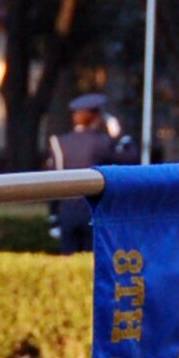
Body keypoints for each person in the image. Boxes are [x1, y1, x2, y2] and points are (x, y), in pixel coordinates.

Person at [46, 92, 122, 253]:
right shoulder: (104, 142)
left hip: (68, 213)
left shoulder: (60, 143)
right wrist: (118, 136)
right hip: (95, 213)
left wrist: (53, 215)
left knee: (68, 265)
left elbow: (53, 179)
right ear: (97, 117)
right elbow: (129, 159)